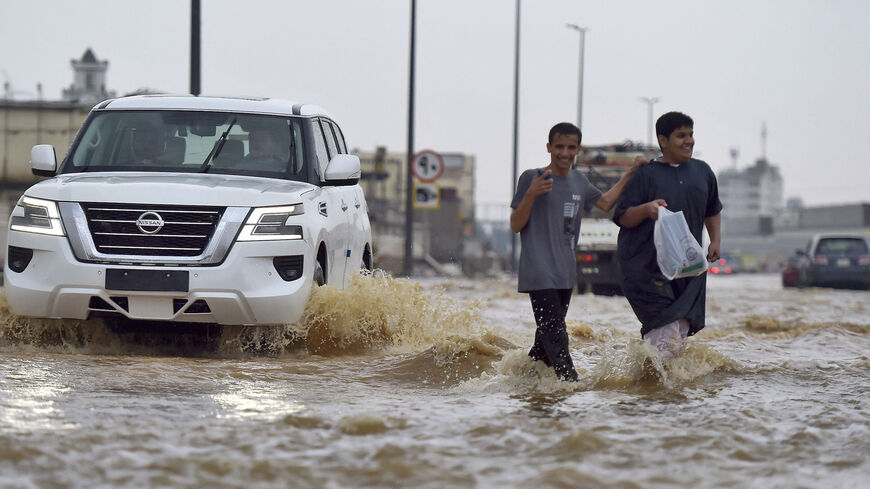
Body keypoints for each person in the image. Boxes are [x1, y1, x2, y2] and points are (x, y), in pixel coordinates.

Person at [510, 122, 644, 381]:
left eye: (570, 147)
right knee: (557, 336)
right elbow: (516, 225)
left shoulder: (579, 181)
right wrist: (531, 195)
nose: (564, 153)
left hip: (565, 274)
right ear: (549, 147)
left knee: (545, 343)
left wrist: (631, 172)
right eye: (558, 147)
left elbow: (605, 203)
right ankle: (571, 387)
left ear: (578, 150)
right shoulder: (532, 177)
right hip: (538, 272)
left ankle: (524, 383)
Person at [612, 111, 722, 358]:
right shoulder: (645, 175)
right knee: (664, 328)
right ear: (663, 140)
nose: (689, 141)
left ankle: (655, 388)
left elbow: (712, 209)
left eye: (691, 135)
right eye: (681, 136)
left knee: (679, 327)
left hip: (688, 269)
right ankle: (656, 389)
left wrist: (715, 240)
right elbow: (622, 217)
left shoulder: (703, 172)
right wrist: (646, 209)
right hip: (647, 270)